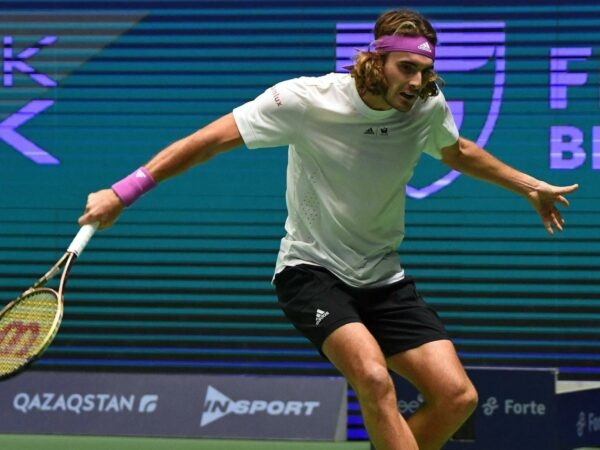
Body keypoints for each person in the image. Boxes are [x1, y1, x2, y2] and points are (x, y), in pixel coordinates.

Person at [78, 9, 579, 450]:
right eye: (407, 68)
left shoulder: (426, 106)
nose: (417, 81)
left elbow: (457, 151)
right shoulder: (303, 100)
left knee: (457, 397)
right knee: (373, 378)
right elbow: (206, 141)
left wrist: (528, 185)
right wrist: (122, 192)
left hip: (384, 278)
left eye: (426, 71)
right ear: (375, 60)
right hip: (310, 271)